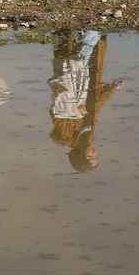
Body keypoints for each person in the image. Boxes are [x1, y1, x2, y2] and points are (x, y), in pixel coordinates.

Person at [47, 29, 123, 172]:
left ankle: (84, 29)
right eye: (96, 157)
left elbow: (56, 112)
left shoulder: (66, 136)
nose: (94, 153)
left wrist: (76, 111)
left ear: (80, 155)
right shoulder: (88, 136)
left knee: (67, 50)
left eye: (90, 157)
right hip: (89, 82)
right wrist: (111, 89)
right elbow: (95, 107)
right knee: (87, 54)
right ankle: (90, 30)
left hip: (74, 84)